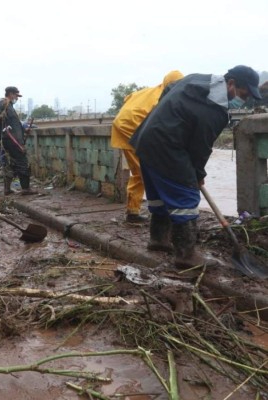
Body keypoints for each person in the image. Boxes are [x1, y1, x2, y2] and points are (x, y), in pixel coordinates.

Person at [130, 65, 262, 269]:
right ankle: (186, 255)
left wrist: (166, 119)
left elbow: (168, 90)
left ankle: (158, 240)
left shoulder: (196, 79)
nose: (244, 100)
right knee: (186, 196)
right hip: (167, 147)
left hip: (146, 139)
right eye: (244, 94)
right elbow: (200, 148)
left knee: (158, 196)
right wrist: (197, 176)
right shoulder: (215, 111)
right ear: (232, 83)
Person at [111, 70, 184, 224]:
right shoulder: (165, 98)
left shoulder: (149, 92)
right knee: (151, 171)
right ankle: (164, 212)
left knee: (139, 171)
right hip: (133, 128)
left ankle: (133, 211)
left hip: (122, 125)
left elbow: (128, 98)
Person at [0, 86, 37, 195]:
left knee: (10, 164)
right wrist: (19, 144)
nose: (17, 98)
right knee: (23, 162)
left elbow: (13, 124)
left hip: (10, 139)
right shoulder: (5, 104)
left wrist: (23, 129)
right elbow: (4, 125)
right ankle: (26, 188)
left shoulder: (9, 107)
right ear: (11, 94)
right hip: (12, 140)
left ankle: (7, 189)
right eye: (16, 95)